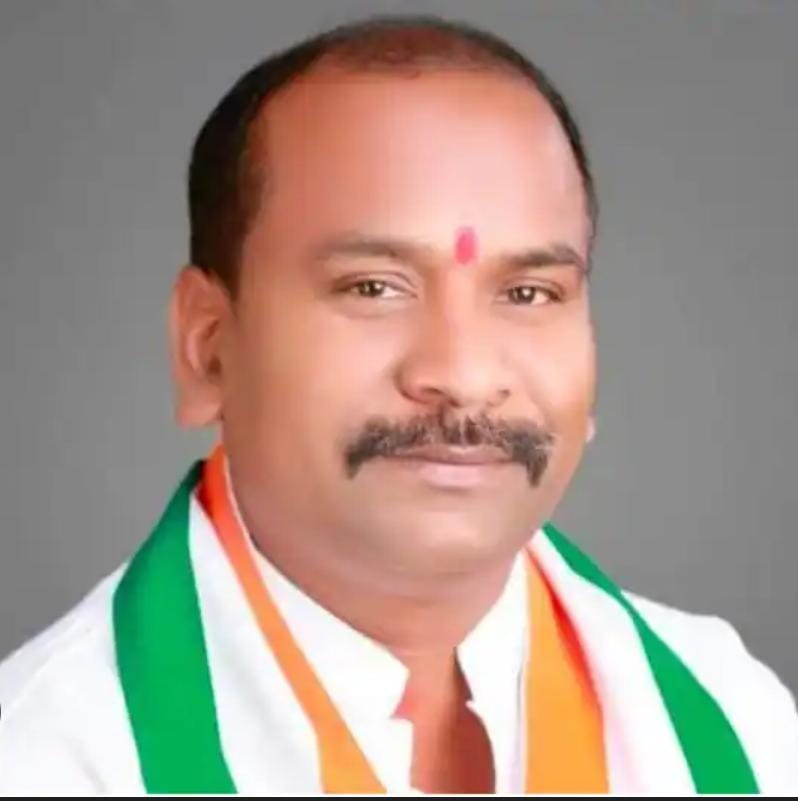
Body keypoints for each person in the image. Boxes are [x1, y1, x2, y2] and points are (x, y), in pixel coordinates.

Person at [1, 14, 796, 795]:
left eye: (528, 292)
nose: (464, 374)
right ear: (208, 348)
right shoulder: (47, 759)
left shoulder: (737, 722)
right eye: (374, 287)